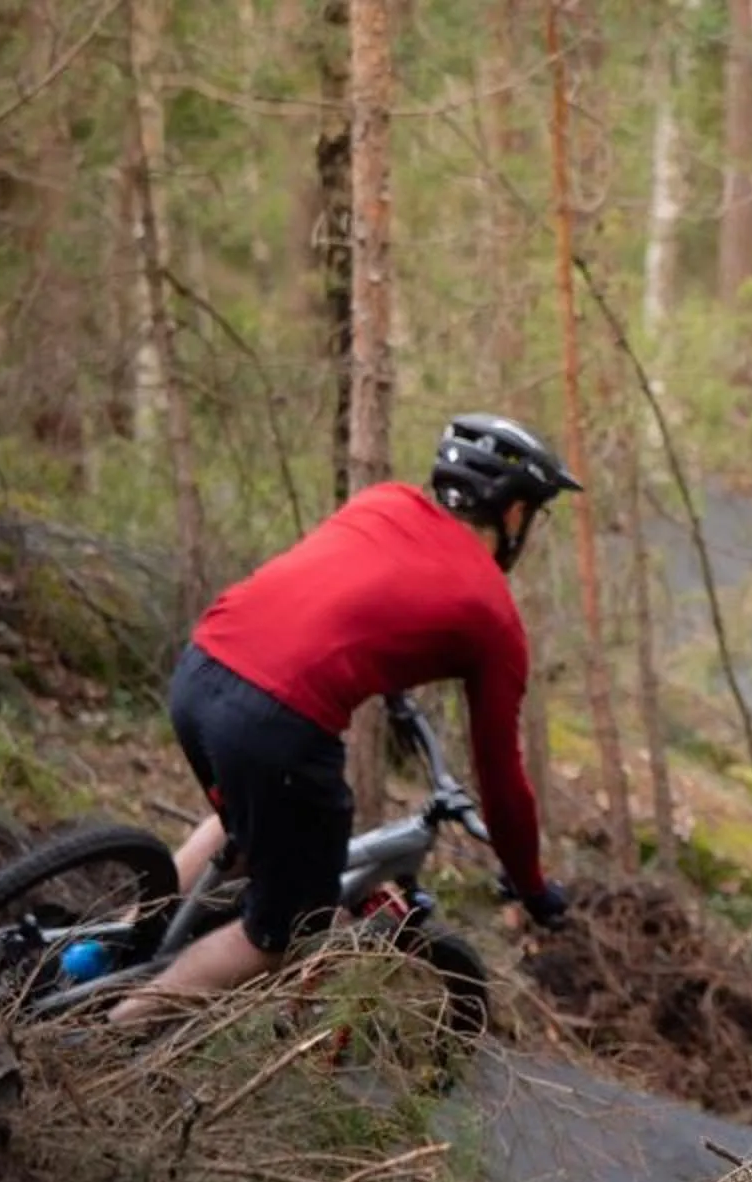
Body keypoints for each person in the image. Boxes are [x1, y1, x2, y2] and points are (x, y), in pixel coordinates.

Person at [112, 415, 574, 1025]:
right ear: (514, 515)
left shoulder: (384, 501)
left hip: (201, 667)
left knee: (244, 828)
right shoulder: (493, 614)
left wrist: (391, 687)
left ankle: (91, 954)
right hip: (275, 727)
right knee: (283, 929)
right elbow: (502, 778)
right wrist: (531, 883)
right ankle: (105, 1035)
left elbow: (344, 598)